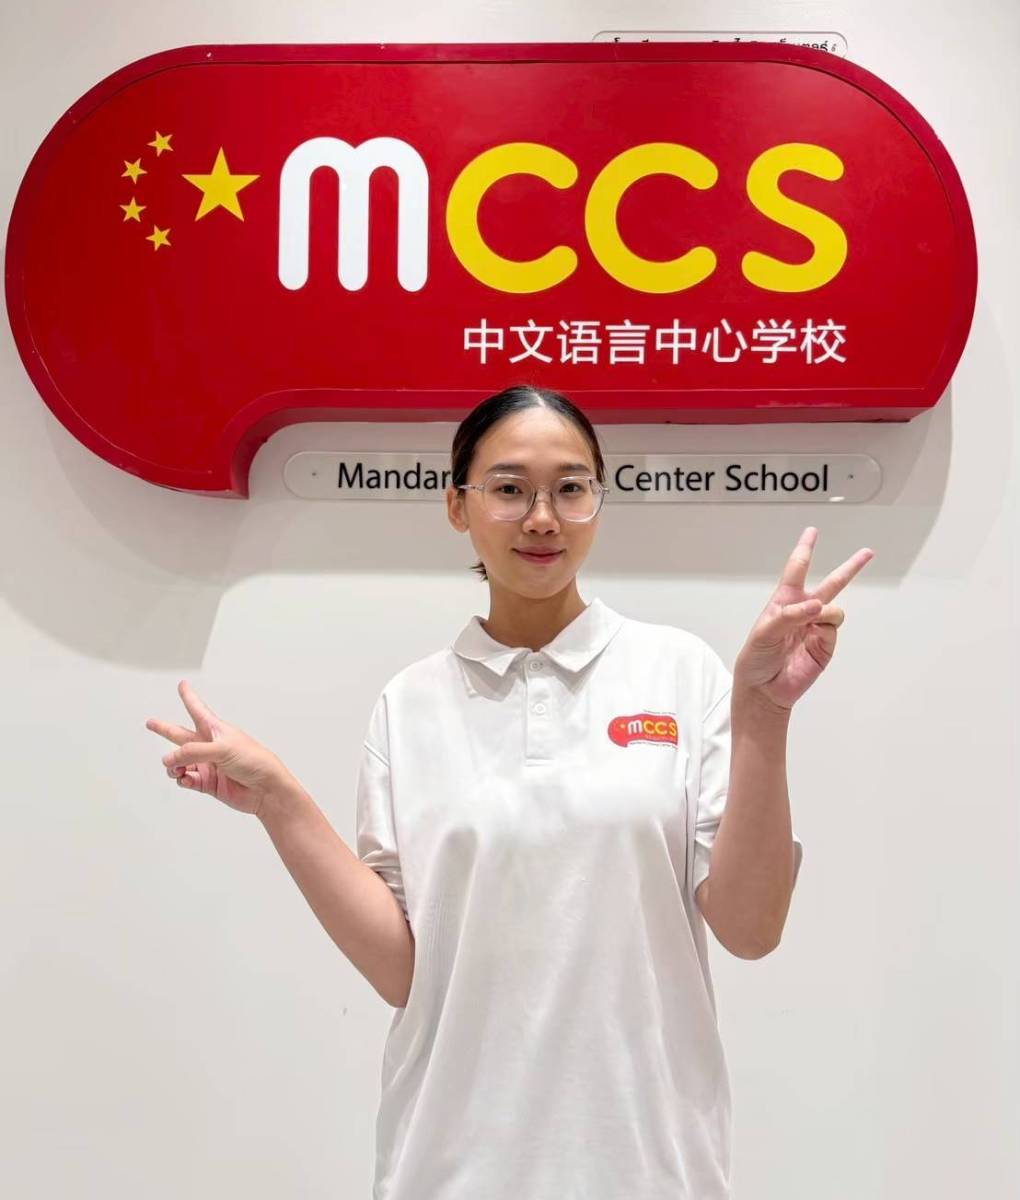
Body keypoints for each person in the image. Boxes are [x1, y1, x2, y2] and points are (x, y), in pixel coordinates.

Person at [146, 384, 873, 1200]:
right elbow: (404, 973)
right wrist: (279, 799)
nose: (542, 518)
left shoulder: (680, 673)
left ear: (599, 500)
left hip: (650, 1169)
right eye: (509, 488)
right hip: (449, 1168)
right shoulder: (409, 704)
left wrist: (764, 713)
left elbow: (750, 928)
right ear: (458, 505)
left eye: (571, 487)